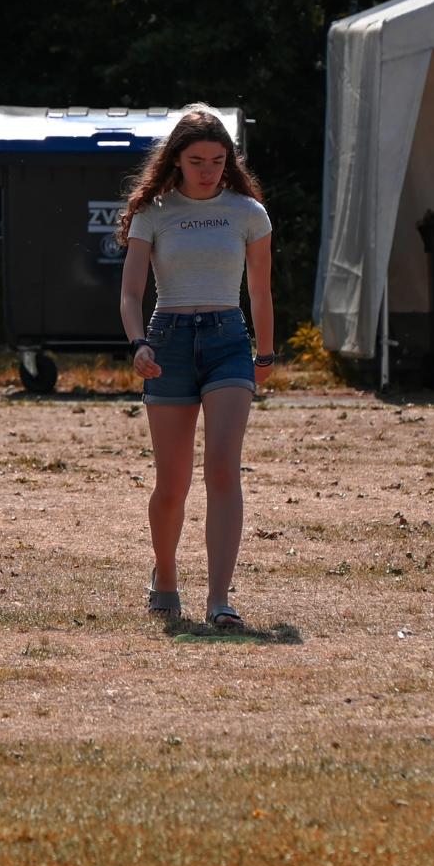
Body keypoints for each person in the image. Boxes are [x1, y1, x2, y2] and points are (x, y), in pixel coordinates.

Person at [116, 107, 273, 629]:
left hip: (228, 340)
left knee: (223, 467)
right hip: (169, 342)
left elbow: (260, 290)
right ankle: (165, 574)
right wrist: (139, 344)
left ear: (230, 161)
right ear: (176, 161)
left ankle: (220, 598)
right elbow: (131, 292)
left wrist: (265, 353)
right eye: (197, 161)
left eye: (217, 160)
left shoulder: (248, 212)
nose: (208, 170)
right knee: (173, 482)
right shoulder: (153, 213)